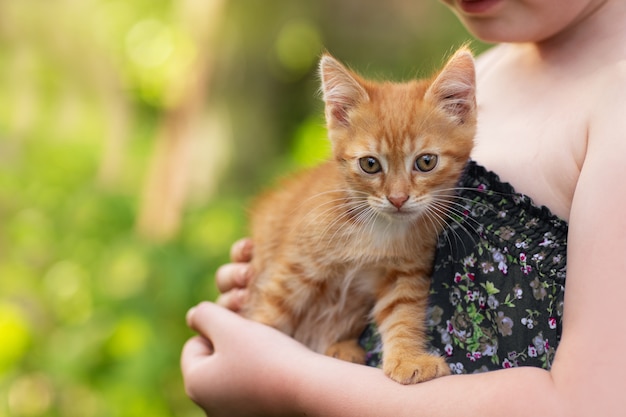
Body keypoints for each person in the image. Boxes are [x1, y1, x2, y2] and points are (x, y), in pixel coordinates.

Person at [181, 0, 626, 415]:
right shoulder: (478, 76)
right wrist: (279, 315)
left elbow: (589, 406)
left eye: (426, 164)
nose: (398, 195)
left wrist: (279, 378)